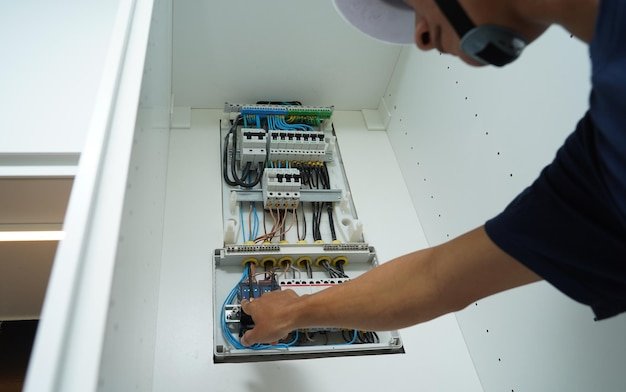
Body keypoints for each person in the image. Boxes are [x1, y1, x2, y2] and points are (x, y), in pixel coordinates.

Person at [240, 0, 626, 346]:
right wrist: (295, 312)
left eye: (412, 5)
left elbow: (438, 280)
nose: (422, 37)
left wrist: (296, 312)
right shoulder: (601, 154)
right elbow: (437, 279)